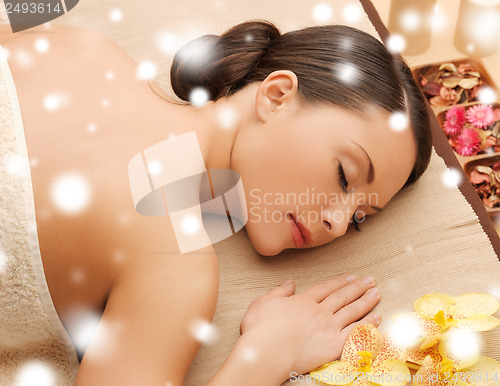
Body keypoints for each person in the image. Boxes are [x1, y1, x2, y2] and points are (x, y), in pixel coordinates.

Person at [0, 18, 431, 386]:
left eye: (359, 218)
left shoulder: (86, 47)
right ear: (277, 95)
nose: (337, 224)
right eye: (344, 175)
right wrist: (263, 359)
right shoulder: (173, 267)